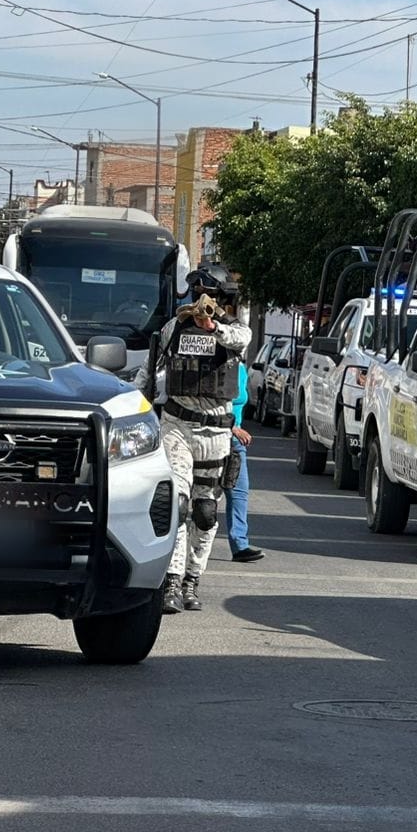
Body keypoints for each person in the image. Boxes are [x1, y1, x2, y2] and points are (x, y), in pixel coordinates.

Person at [135, 263, 251, 615]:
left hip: (215, 431)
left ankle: (192, 579)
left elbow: (237, 342)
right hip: (178, 425)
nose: (203, 300)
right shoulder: (175, 327)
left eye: (211, 294)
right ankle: (171, 581)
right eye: (198, 293)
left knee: (204, 510)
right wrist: (135, 404)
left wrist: (212, 325)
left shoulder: (235, 331)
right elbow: (149, 370)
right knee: (179, 506)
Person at [226, 355, 264, 563]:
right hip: (214, 436)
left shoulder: (240, 367)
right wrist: (231, 427)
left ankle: (240, 545)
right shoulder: (218, 365)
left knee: (239, 493)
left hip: (234, 442)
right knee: (203, 498)